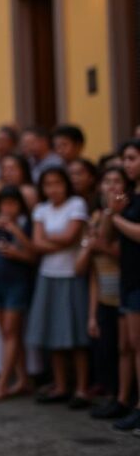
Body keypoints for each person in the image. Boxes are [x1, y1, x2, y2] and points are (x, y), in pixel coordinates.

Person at [26, 167, 91, 409]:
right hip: (48, 275)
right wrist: (57, 241)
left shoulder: (77, 204)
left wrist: (49, 241)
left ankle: (82, 388)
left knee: (76, 335)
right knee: (53, 333)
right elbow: (36, 243)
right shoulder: (42, 208)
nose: (53, 189)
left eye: (58, 183)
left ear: (66, 184)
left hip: (71, 275)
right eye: (48, 184)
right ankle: (62, 386)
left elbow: (69, 237)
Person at [86, 167, 133, 421]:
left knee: (126, 348)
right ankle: (116, 397)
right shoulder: (98, 215)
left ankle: (126, 398)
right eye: (107, 181)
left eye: (117, 181)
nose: (112, 186)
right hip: (105, 292)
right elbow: (92, 266)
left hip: (124, 287)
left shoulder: (126, 213)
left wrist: (111, 218)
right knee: (110, 350)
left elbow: (111, 248)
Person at [0, 186, 35, 401]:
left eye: (12, 203)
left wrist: (15, 234)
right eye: (4, 203)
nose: (8, 208)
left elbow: (33, 254)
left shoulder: (25, 224)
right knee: (7, 334)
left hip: (17, 283)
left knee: (11, 332)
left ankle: (2, 384)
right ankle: (23, 380)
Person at [102, 139, 140, 433]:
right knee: (126, 345)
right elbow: (107, 238)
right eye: (125, 159)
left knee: (138, 346)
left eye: (131, 158)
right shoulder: (128, 196)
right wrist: (110, 212)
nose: (127, 164)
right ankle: (124, 400)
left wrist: (115, 216)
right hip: (127, 277)